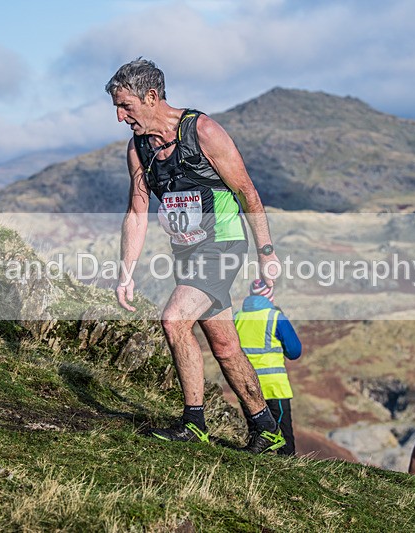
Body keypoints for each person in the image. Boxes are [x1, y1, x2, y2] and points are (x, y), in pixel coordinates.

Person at [105, 58, 285, 454]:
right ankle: (265, 428)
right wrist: (126, 274)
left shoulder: (202, 131)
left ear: (151, 97)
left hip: (223, 245)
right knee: (224, 345)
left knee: (173, 319)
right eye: (116, 108)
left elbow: (247, 192)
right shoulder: (139, 149)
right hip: (187, 253)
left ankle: (194, 423)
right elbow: (137, 213)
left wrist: (266, 252)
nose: (120, 117)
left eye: (126, 106)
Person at [235, 279, 302, 455]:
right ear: (270, 297)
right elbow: (295, 351)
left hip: (246, 385)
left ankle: (255, 472)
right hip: (274, 386)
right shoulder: (275, 316)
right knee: (284, 437)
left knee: (256, 435)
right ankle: (289, 472)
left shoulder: (237, 317)